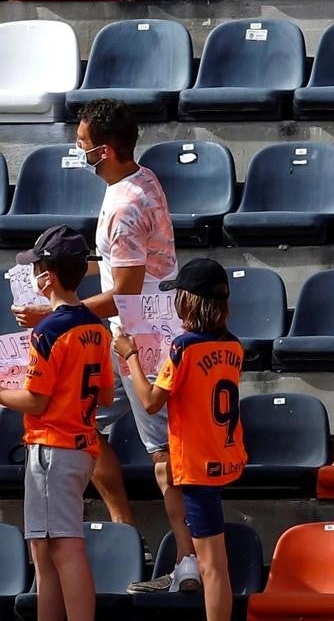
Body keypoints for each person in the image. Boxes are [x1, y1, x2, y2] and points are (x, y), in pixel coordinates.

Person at [11, 98, 193, 593]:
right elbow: (120, 264)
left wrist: (56, 311)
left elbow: (127, 289)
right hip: (137, 328)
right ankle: (125, 533)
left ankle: (189, 562)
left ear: (105, 150)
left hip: (142, 336)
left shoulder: (124, 204)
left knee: (161, 452)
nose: (78, 151)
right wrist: (67, 270)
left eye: (84, 145)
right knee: (84, 426)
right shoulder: (139, 180)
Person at [0, 226, 114, 621]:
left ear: (47, 276)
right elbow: (106, 396)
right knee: (44, 552)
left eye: (37, 269)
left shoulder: (48, 330)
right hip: (79, 446)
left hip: (53, 448)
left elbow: (36, 400)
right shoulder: (95, 327)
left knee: (63, 550)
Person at [113, 258, 246, 621]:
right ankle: (183, 561)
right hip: (223, 453)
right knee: (163, 473)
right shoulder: (234, 346)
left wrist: (132, 358)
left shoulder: (184, 347)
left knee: (213, 568)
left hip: (199, 465)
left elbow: (151, 402)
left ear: (187, 302)